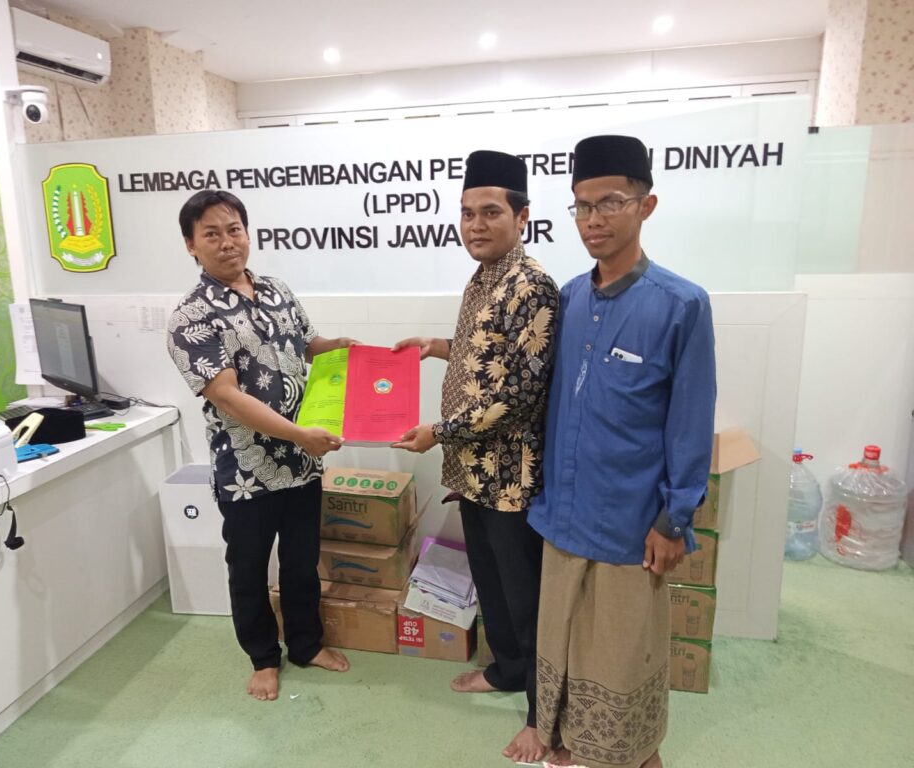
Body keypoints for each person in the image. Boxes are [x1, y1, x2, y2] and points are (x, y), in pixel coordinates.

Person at [528, 135, 716, 768]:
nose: (593, 219)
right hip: (564, 513)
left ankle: (635, 755)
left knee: (621, 655)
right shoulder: (570, 298)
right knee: (561, 644)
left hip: (632, 523)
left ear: (646, 205)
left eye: (610, 202)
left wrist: (674, 518)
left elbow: (690, 422)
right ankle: (569, 747)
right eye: (582, 206)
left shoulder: (680, 304)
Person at [393, 150, 559, 764]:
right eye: (467, 213)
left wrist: (438, 432)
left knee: (527, 597)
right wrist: (439, 345)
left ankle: (543, 716)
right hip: (474, 473)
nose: (476, 224)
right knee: (490, 584)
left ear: (522, 216)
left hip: (512, 477)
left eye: (490, 212)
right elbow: (488, 353)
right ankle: (508, 668)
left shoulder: (531, 285)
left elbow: (518, 396)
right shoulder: (483, 277)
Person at [167, 190, 353, 702]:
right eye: (211, 234)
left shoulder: (277, 290)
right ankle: (263, 658)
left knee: (301, 560)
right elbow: (226, 394)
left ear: (247, 233)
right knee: (248, 568)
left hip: (303, 461)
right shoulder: (190, 317)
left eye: (234, 230)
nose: (227, 242)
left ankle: (306, 645)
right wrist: (299, 435)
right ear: (191, 245)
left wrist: (342, 348)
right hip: (246, 469)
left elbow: (308, 345)